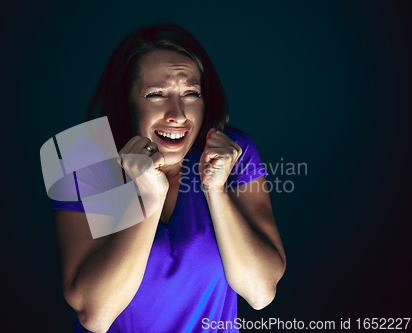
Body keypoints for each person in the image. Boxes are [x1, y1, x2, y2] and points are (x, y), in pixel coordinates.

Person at [51, 22, 286, 333]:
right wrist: (150, 197)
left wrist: (216, 190)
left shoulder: (235, 152)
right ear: (127, 101)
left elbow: (260, 293)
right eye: (156, 94)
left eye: (191, 93)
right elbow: (96, 314)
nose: (178, 114)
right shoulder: (82, 160)